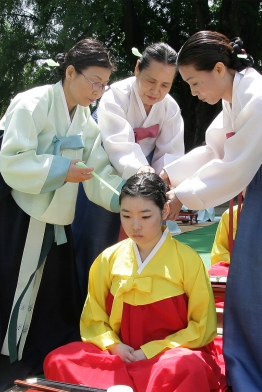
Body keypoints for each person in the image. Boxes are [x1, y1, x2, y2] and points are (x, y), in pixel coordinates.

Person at [44, 173, 250, 392]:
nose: (135, 225)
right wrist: (114, 345)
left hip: (168, 355)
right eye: (126, 215)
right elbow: (94, 318)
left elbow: (202, 327)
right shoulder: (108, 258)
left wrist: (151, 350)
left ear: (164, 211)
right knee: (58, 359)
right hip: (119, 357)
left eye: (145, 215)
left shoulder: (187, 260)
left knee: (179, 367)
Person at [0, 38, 124, 392]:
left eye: (104, 85)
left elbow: (96, 170)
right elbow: (12, 159)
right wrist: (60, 168)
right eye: (94, 81)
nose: (98, 92)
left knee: (50, 288)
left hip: (51, 209)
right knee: (5, 281)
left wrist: (127, 199)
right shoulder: (33, 101)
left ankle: (34, 355)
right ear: (70, 72)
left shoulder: (85, 119)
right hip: (9, 205)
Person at [160, 31, 262, 392]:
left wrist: (180, 199)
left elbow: (233, 168)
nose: (191, 91)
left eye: (193, 82)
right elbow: (214, 151)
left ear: (220, 68)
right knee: (261, 272)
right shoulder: (235, 99)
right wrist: (167, 177)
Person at [72, 42, 184, 303]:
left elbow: (170, 154)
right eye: (150, 81)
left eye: (165, 85)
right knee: (96, 240)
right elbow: (118, 145)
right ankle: (86, 308)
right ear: (137, 69)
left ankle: (130, 309)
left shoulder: (170, 108)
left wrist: (162, 186)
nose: (156, 91)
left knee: (141, 241)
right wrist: (144, 174)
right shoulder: (115, 95)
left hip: (146, 178)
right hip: (105, 171)